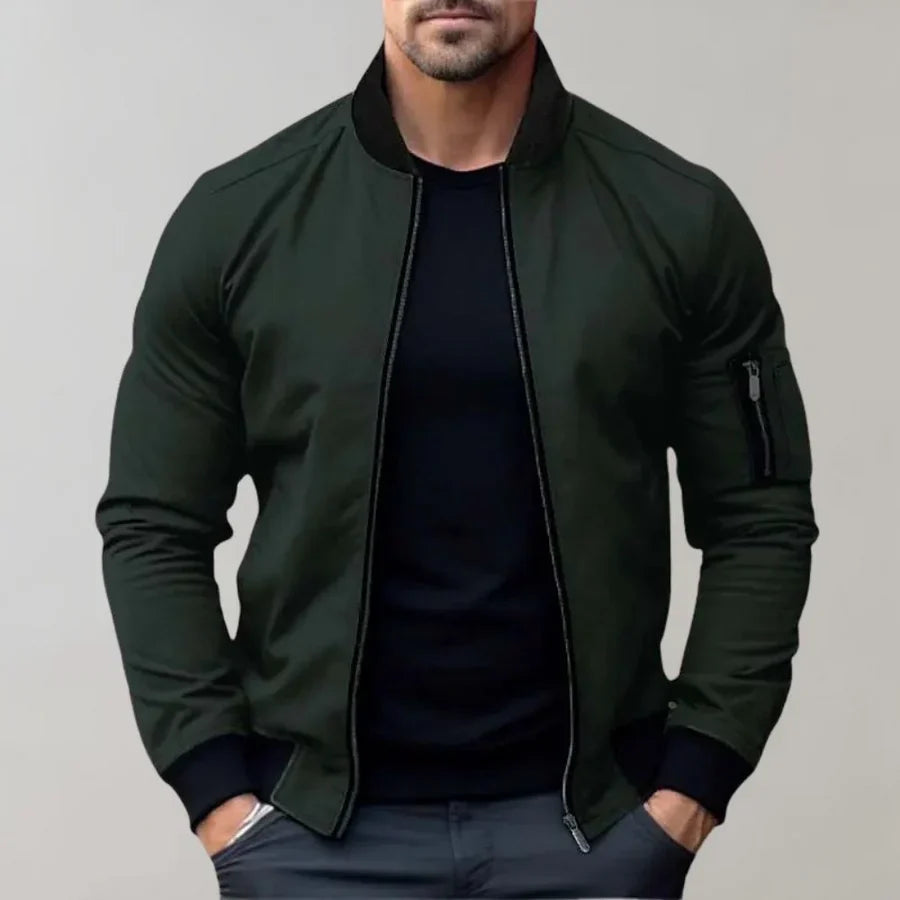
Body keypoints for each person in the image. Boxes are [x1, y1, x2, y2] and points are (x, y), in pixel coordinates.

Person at [95, 1, 818, 897]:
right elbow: (154, 524)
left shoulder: (678, 217)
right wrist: (218, 794)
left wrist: (695, 784)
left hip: (594, 838)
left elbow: (759, 516)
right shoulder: (238, 220)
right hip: (311, 842)